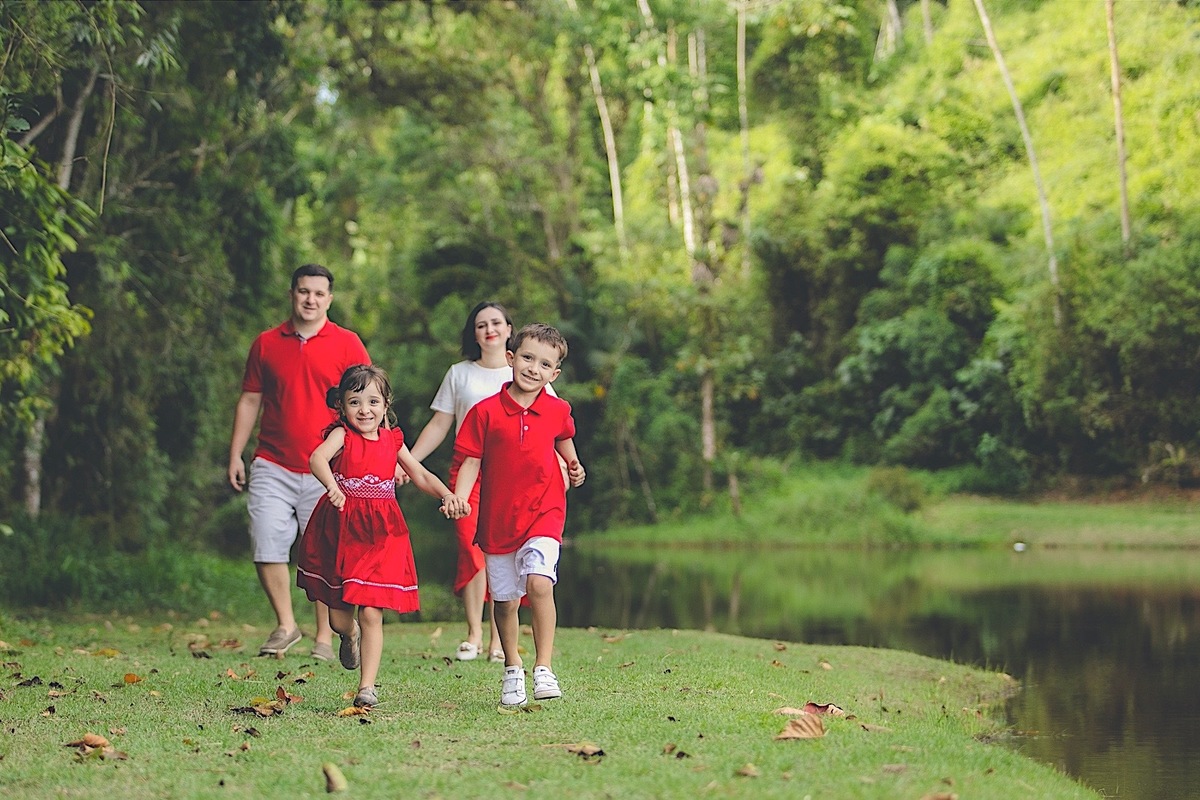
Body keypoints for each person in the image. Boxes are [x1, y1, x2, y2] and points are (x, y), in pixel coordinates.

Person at [297, 364, 469, 707]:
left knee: (373, 610)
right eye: (355, 402)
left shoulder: (393, 439)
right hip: (342, 527)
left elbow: (419, 474)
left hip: (381, 532)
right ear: (343, 407)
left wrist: (448, 494)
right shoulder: (341, 436)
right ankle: (350, 636)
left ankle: (367, 687)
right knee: (338, 617)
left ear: (386, 404)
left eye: (373, 401)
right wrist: (332, 486)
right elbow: (317, 459)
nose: (365, 410)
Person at [228, 264, 370, 660]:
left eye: (319, 293)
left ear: (330, 299)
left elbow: (369, 401)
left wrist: (378, 453)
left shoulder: (347, 343)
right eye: (304, 291)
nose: (310, 299)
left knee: (323, 554)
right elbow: (250, 398)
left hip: (329, 468)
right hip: (272, 460)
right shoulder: (266, 343)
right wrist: (236, 452)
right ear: (292, 293)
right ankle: (286, 625)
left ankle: (326, 636)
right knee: (266, 540)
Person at [407, 301, 561, 664]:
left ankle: (498, 641)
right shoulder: (460, 374)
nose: (489, 329)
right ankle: (475, 632)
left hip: (521, 477)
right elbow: (441, 425)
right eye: (480, 325)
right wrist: (409, 461)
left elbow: (550, 429)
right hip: (470, 471)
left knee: (511, 556)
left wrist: (563, 470)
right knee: (473, 549)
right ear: (473, 334)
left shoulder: (533, 368)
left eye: (496, 322)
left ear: (510, 329)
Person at [452, 323, 586, 708]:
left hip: (545, 510)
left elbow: (564, 440)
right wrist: (461, 497)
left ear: (554, 374)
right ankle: (513, 667)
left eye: (544, 364)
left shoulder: (558, 409)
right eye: (527, 358)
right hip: (498, 518)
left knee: (540, 582)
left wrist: (574, 465)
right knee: (506, 600)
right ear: (511, 359)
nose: (533, 368)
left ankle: (543, 666)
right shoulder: (485, 412)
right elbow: (470, 461)